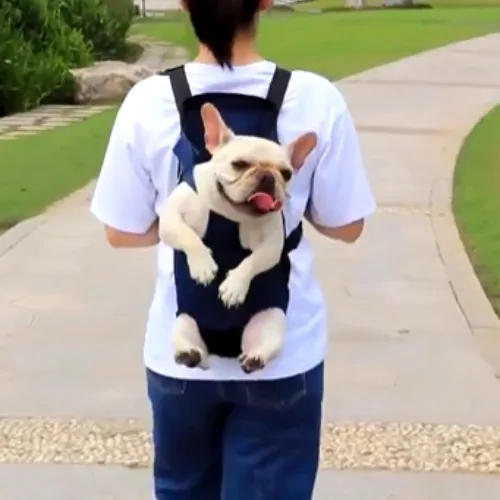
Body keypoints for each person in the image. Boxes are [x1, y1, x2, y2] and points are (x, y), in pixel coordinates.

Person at [90, 0, 376, 498]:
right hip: (284, 358)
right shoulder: (315, 99)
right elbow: (348, 226)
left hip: (178, 357)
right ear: (264, 3)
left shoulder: (148, 101)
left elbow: (121, 232)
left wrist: (191, 221)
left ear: (184, 3)